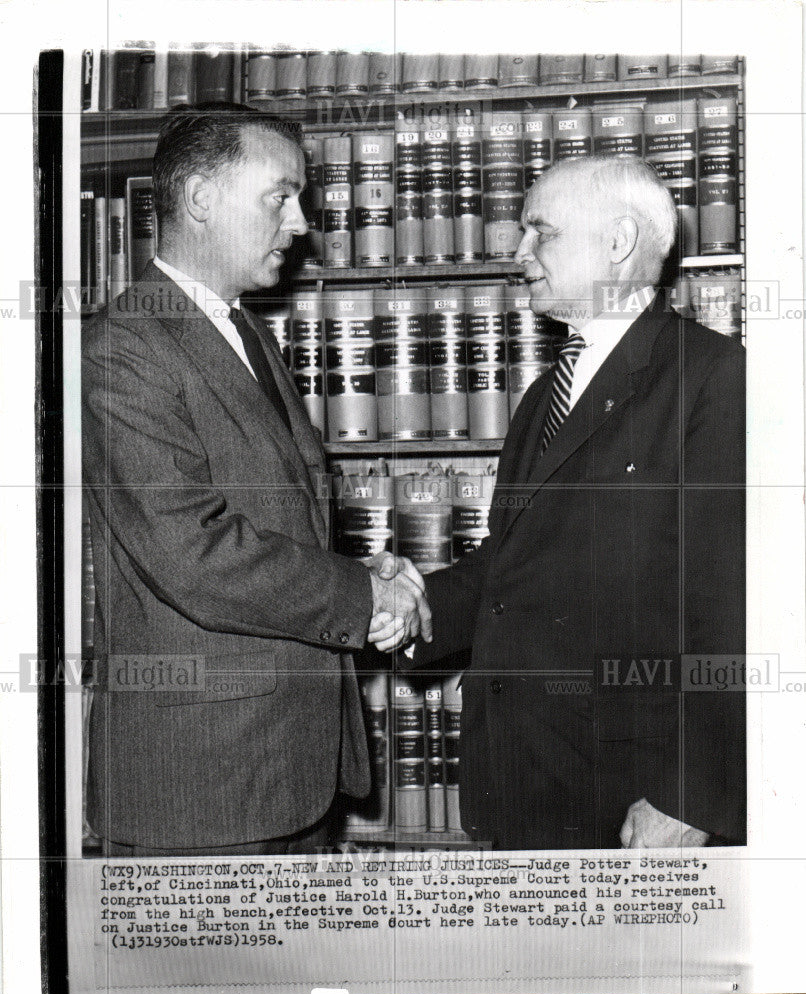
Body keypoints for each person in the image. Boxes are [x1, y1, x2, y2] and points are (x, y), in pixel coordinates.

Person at [83, 103, 430, 856]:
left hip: (284, 768)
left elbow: (275, 522)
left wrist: (356, 571)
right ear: (202, 198)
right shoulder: (123, 345)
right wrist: (361, 595)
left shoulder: (238, 327)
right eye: (280, 195)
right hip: (201, 790)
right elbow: (189, 551)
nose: (300, 221)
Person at [407, 155, 746, 850]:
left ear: (618, 243)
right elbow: (513, 568)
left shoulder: (714, 377)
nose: (519, 253)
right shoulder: (544, 394)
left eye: (541, 232)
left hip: (633, 798)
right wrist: (402, 606)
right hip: (529, 779)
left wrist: (693, 794)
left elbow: (732, 604)